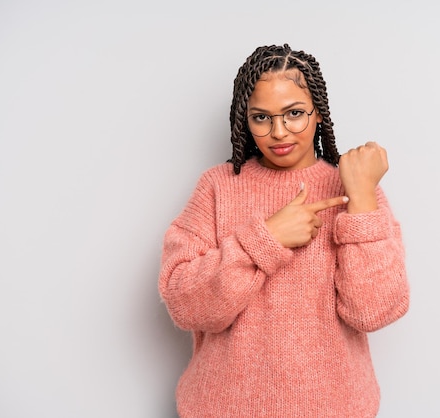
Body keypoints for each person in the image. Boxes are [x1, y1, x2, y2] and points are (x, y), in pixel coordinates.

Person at [158, 43, 410, 418]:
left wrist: (359, 199)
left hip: (335, 408)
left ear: (319, 114)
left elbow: (373, 312)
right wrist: (266, 239)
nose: (278, 132)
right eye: (262, 118)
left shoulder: (356, 189)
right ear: (246, 119)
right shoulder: (217, 187)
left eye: (294, 114)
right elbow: (185, 304)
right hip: (223, 408)